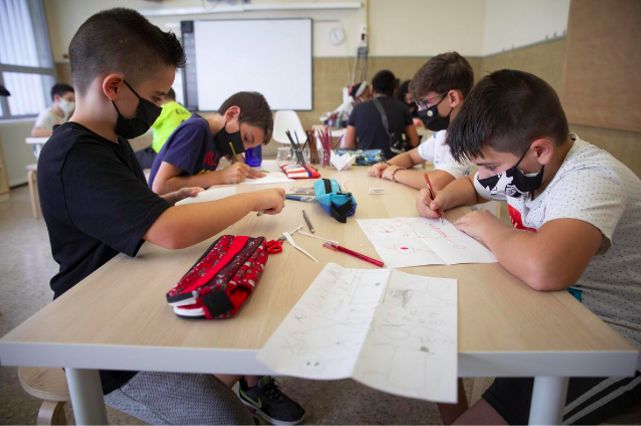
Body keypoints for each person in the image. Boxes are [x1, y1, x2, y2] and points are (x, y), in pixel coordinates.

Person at [37, 8, 303, 425]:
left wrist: (174, 198)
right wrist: (254, 199)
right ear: (113, 86)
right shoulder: (75, 154)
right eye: (157, 97)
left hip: (133, 293)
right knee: (228, 421)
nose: (160, 109)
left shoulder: (109, 143)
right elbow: (168, 233)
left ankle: (244, 383)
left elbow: (136, 212)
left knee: (247, 312)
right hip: (104, 339)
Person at [417, 69, 641, 425]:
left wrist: (488, 227)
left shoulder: (591, 179)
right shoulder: (525, 163)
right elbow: (473, 187)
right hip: (559, 308)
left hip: (614, 337)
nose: (484, 175)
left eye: (489, 165)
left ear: (540, 150)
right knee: (438, 329)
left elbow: (545, 268)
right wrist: (439, 198)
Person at [368, 52, 473, 191]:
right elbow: (411, 156)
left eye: (425, 102)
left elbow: (436, 183)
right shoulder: (444, 133)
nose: (421, 109)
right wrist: (385, 165)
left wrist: (394, 172)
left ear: (452, 98)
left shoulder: (472, 136)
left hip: (466, 211)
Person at [148, 91, 270, 195]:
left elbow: (235, 157)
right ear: (232, 114)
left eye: (250, 147)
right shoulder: (196, 129)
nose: (244, 148)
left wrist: (240, 165)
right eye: (246, 138)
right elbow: (160, 187)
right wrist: (221, 176)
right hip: (162, 212)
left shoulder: (220, 139)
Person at [341, 70, 419, 159]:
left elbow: (349, 144)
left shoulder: (358, 109)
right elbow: (414, 141)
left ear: (373, 89)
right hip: (394, 163)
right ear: (394, 90)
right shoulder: (403, 108)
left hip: (366, 163)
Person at [134, 87, 191, 169]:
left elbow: (148, 123)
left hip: (165, 155)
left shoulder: (163, 109)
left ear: (161, 98)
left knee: (135, 158)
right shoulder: (185, 110)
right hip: (184, 153)